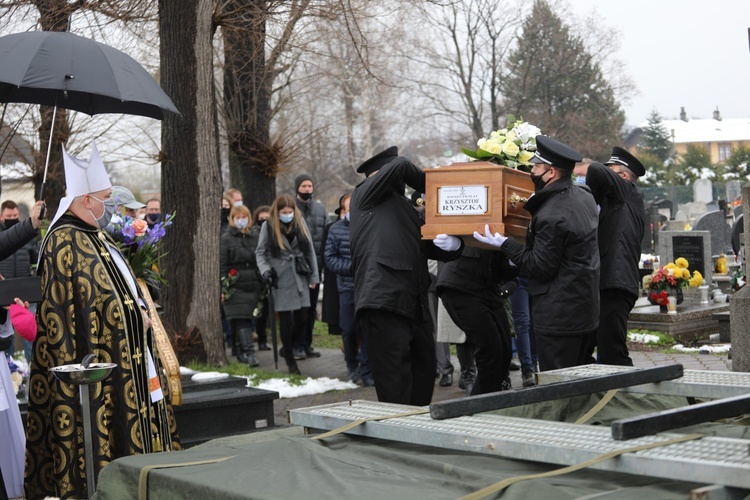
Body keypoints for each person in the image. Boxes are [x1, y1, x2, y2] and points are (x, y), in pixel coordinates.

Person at [24, 143, 179, 499]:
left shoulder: (97, 235)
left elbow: (117, 289)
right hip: (94, 372)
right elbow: (66, 315)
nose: (112, 205)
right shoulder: (63, 242)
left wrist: (138, 307)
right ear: (86, 200)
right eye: (106, 197)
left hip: (131, 360)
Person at [474, 135, 600, 371]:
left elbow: (538, 266)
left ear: (550, 173)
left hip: (559, 316)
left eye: (535, 166)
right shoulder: (584, 196)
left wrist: (505, 243)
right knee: (583, 376)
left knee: (560, 383)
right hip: (585, 309)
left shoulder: (552, 214)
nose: (531, 171)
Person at [349, 146, 463, 406]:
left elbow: (427, 245)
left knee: (424, 369)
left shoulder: (407, 208)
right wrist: (435, 186)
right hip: (383, 300)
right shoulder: (364, 196)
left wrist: (455, 245)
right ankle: (396, 434)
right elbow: (401, 165)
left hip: (414, 303)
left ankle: (417, 427)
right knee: (394, 381)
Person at [574, 147, 645, 366]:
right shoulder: (614, 200)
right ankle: (593, 394)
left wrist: (573, 168)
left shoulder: (627, 192)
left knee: (612, 351)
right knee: (583, 348)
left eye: (611, 170)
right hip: (604, 282)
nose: (580, 179)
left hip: (615, 284)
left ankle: (627, 395)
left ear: (622, 177)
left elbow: (595, 170)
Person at [437, 247, 518, 394]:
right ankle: (482, 406)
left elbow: (508, 275)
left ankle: (488, 401)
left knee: (504, 352)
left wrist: (515, 259)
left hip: (489, 287)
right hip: (462, 283)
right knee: (490, 351)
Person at [256, 194, 319, 375]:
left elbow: (310, 251)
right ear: (277, 211)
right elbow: (260, 252)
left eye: (290, 211)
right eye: (284, 212)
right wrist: (266, 271)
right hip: (280, 277)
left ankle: (287, 347)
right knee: (285, 319)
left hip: (299, 275)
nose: (287, 214)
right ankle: (291, 361)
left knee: (303, 317)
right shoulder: (269, 226)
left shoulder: (299, 222)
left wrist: (314, 276)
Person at [325, 193, 373, 386]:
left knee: (368, 329)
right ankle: (352, 366)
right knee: (349, 330)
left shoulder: (370, 226)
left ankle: (367, 370)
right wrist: (350, 268)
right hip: (346, 287)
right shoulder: (335, 230)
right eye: (350, 208)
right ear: (343, 211)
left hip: (368, 287)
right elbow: (329, 257)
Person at [221, 204, 263, 367]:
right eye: (237, 217)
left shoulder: (254, 236)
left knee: (245, 319)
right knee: (241, 320)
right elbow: (223, 264)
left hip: (252, 283)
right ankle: (249, 353)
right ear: (232, 219)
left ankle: (239, 352)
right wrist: (224, 287)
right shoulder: (226, 239)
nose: (241, 220)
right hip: (234, 284)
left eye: (243, 217)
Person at [0, 200, 40, 361]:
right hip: (4, 292)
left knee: (28, 339)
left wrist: (32, 224)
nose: (12, 218)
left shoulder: (26, 237)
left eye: (15, 215)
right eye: (8, 216)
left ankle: (27, 371)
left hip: (23, 291)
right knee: (7, 342)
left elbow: (34, 258)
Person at [293, 174, 327, 360]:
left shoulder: (320, 209)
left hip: (316, 266)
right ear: (297, 187)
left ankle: (307, 344)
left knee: (312, 308)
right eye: (304, 185)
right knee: (299, 308)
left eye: (310, 185)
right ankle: (296, 344)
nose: (307, 189)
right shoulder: (290, 209)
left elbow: (326, 235)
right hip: (297, 267)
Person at [252, 206, 272, 351]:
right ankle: (258, 337)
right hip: (255, 276)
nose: (264, 221)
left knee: (265, 312)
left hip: (269, 275)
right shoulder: (253, 234)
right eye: (261, 219)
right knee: (258, 311)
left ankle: (263, 340)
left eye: (267, 218)